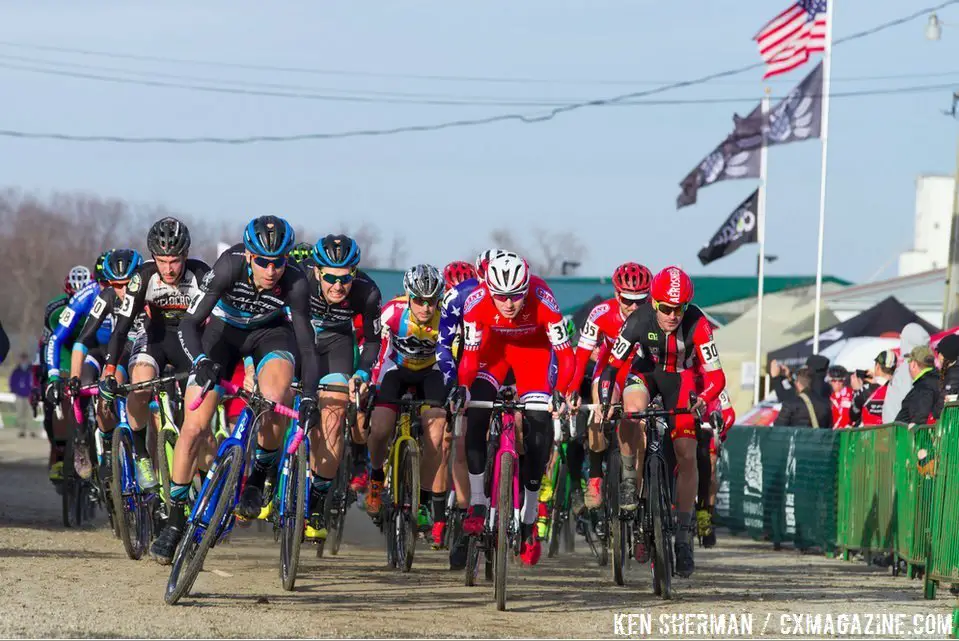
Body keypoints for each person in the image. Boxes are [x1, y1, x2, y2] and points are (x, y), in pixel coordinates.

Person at [150, 215, 319, 565]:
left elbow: (306, 348)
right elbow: (190, 322)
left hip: (269, 334)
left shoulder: (296, 283)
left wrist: (311, 397)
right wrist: (199, 360)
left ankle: (257, 477)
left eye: (278, 262)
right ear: (248, 256)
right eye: (262, 261)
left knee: (274, 398)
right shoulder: (228, 267)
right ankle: (176, 520)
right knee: (193, 428)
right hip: (222, 335)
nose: (271, 270)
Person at [597, 265, 727, 578]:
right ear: (654, 303)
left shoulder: (698, 323)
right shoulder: (638, 319)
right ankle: (630, 477)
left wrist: (703, 398)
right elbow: (612, 368)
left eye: (679, 308)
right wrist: (605, 399)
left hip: (680, 381)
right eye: (666, 308)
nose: (673, 315)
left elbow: (717, 376)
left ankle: (683, 536)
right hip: (646, 374)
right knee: (632, 412)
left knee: (687, 453)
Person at [452, 252, 575, 567]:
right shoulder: (476, 302)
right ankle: (478, 502)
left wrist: (561, 393)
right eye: (501, 297)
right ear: (489, 289)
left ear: (526, 287)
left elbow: (567, 356)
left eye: (516, 296)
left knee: (538, 425)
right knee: (475, 413)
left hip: (533, 356)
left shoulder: (543, 298)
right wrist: (463, 387)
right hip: (492, 356)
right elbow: (469, 356)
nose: (508, 304)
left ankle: (530, 513)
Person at [99, 218, 210, 492]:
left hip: (190, 342)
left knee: (200, 422)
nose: (169, 268)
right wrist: (110, 370)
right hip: (155, 339)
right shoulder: (143, 278)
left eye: (174, 260)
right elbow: (122, 328)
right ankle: (141, 454)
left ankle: (208, 485)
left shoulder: (200, 275)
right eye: (162, 260)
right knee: (140, 385)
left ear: (185, 255)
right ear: (153, 258)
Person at [302, 234, 381, 541]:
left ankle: (318, 501)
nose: (338, 286)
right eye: (331, 278)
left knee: (334, 420)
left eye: (345, 278)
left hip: (336, 344)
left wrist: (361, 372)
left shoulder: (368, 291)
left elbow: (373, 341)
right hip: (299, 340)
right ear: (317, 272)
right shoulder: (299, 281)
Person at [365, 264, 448, 545]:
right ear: (408, 296)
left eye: (431, 301)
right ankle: (376, 477)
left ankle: (422, 500)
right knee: (379, 429)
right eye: (419, 301)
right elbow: (375, 348)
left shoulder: (446, 317)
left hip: (430, 372)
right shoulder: (392, 312)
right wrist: (370, 384)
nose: (426, 307)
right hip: (395, 370)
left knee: (436, 434)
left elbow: (454, 358)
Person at [570, 262, 652, 511]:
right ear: (617, 295)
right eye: (628, 300)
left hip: (640, 373)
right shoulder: (601, 312)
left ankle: (639, 497)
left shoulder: (654, 314)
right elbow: (582, 355)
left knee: (642, 430)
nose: (634, 306)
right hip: (610, 371)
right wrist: (572, 389)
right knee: (599, 411)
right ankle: (595, 476)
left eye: (641, 300)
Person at [883, 323, 931, 423]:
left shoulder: (910, 368)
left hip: (899, 430)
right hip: (898, 428)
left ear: (907, 342)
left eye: (902, 339)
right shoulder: (919, 367)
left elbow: (908, 400)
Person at [895, 345, 939, 425]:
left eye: (909, 362)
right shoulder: (938, 380)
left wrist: (915, 427)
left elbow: (919, 418)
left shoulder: (923, 386)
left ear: (913, 364)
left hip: (910, 436)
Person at [850, 350, 897, 426]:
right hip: (894, 434)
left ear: (878, 366)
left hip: (870, 436)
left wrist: (856, 390)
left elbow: (853, 416)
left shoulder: (865, 391)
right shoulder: (900, 388)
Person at [9, 352, 34, 438]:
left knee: (30, 414)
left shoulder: (31, 370)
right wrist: (13, 390)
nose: (23, 360)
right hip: (19, 395)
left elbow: (35, 381)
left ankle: (32, 431)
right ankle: (21, 431)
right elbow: (12, 381)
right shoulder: (16, 370)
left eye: (25, 358)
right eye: (22, 358)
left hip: (29, 395)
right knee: (20, 413)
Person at [934, 334, 959, 419]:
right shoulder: (949, 372)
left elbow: (942, 406)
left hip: (950, 425)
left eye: (939, 353)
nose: (938, 356)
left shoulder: (954, 375)